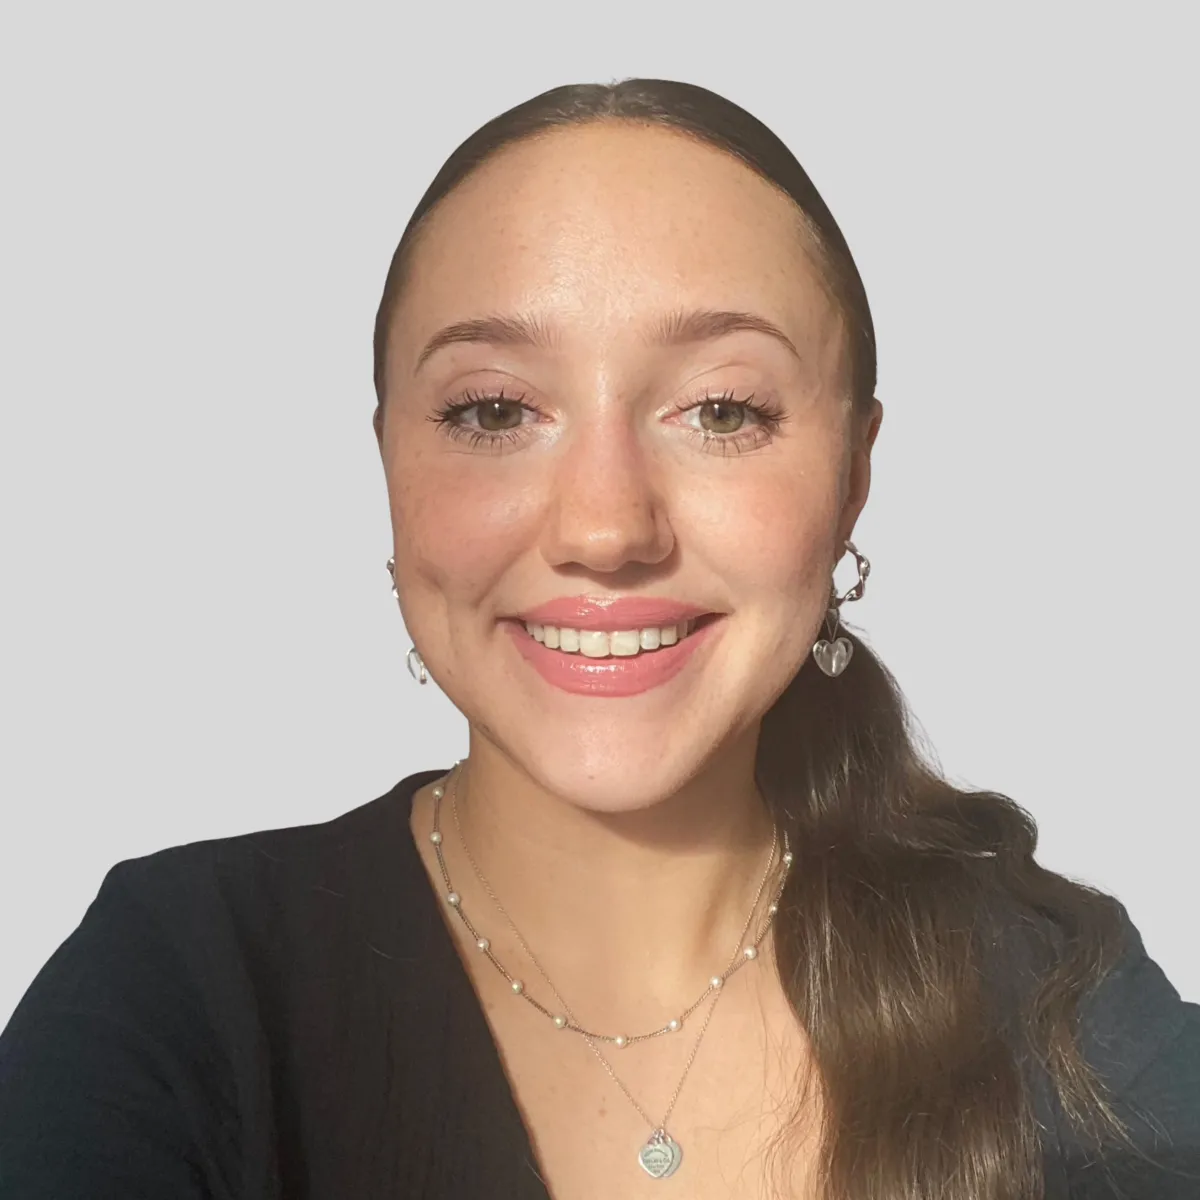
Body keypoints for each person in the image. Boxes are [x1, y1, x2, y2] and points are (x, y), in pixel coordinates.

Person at [0, 78, 1196, 1200]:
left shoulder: (1061, 1003)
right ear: (389, 466)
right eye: (493, 410)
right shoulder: (180, 992)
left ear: (853, 477)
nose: (606, 527)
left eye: (720, 410)